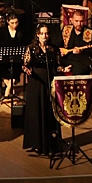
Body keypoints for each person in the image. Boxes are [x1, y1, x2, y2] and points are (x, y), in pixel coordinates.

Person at [22, 24, 70, 156]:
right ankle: (37, 143)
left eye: (47, 34)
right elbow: (25, 65)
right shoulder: (31, 49)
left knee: (50, 111)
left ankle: (51, 143)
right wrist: (27, 70)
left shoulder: (53, 49)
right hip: (36, 83)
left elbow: (58, 65)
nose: (45, 36)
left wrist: (63, 70)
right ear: (37, 35)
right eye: (42, 34)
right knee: (36, 111)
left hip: (50, 81)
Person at [0, 13, 25, 99]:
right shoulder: (2, 31)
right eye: (12, 23)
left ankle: (8, 89)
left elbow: (23, 44)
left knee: (17, 68)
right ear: (7, 22)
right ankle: (10, 86)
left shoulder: (20, 31)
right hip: (4, 58)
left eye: (16, 22)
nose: (15, 25)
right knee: (0, 68)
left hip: (16, 59)